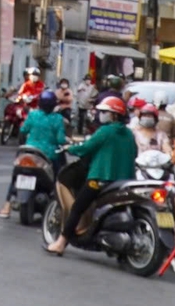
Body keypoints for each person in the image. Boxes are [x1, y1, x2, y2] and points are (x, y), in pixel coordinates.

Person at [45, 96, 136, 256]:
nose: (101, 114)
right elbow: (134, 153)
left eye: (105, 112)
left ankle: (61, 242)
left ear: (114, 115)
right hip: (124, 181)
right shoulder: (128, 134)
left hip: (100, 179)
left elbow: (86, 147)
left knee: (77, 208)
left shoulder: (105, 131)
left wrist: (71, 149)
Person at [5, 90, 68, 219]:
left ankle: (7, 204)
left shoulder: (33, 115)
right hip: (49, 155)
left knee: (16, 175)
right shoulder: (57, 118)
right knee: (60, 175)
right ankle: (58, 203)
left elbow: (23, 129)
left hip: (29, 151)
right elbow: (61, 140)